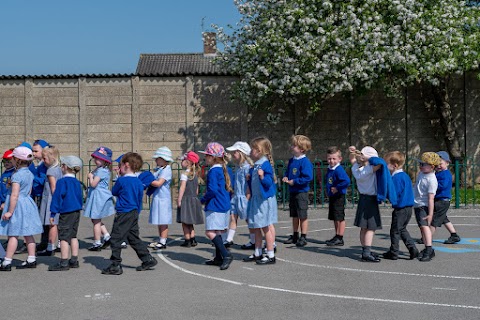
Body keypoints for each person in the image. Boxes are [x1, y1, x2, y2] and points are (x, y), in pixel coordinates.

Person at [101, 152, 157, 275]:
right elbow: (139, 198)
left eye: (120, 165)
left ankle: (115, 264)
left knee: (115, 239)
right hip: (133, 212)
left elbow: (114, 192)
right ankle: (147, 258)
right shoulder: (138, 182)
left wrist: (118, 177)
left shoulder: (121, 181)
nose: (118, 167)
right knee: (133, 238)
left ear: (126, 165)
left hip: (123, 212)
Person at [0, 146, 43, 271]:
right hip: (27, 204)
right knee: (28, 233)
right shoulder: (29, 173)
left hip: (17, 205)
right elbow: (28, 191)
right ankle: (31, 258)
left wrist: (9, 211)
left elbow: (14, 195)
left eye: (13, 158)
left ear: (17, 160)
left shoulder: (17, 175)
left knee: (13, 234)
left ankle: (7, 262)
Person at [199, 142, 234, 270]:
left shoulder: (213, 171)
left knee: (210, 232)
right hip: (224, 204)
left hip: (215, 205)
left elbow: (212, 190)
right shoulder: (226, 169)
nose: (205, 158)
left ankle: (226, 255)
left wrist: (202, 200)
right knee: (219, 231)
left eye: (207, 155)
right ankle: (218, 258)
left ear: (213, 157)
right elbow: (231, 188)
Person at [243, 137, 278, 265]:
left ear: (259, 150)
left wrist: (262, 176)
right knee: (256, 226)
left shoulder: (265, 165)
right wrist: (248, 178)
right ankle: (258, 252)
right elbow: (253, 184)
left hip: (263, 201)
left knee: (265, 227)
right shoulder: (256, 165)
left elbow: (269, 183)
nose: (251, 151)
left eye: (253, 148)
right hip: (255, 200)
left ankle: (270, 254)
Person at [48, 156, 84, 271]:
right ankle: (74, 259)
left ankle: (64, 262)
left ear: (65, 167)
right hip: (76, 212)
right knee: (73, 236)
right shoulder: (77, 182)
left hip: (66, 212)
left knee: (63, 237)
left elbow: (57, 198)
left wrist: (53, 213)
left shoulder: (62, 182)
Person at [381, 151, 419, 260]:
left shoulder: (396, 178)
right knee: (402, 229)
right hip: (408, 208)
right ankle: (413, 249)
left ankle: (394, 252)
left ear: (394, 165)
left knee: (395, 231)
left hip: (400, 208)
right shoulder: (405, 176)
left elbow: (394, 194)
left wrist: (386, 196)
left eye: (387, 164)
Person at [349, 146, 383, 262]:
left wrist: (353, 152)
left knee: (364, 227)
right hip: (371, 199)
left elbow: (352, 160)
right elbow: (380, 164)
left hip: (363, 199)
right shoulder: (369, 169)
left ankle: (365, 249)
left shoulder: (356, 169)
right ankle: (366, 252)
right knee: (371, 227)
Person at [282, 135, 313, 247]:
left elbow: (307, 177)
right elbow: (287, 172)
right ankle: (295, 235)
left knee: (302, 215)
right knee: (294, 215)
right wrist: (285, 178)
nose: (292, 147)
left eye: (294, 145)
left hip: (301, 192)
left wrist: (295, 182)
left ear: (301, 149)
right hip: (293, 191)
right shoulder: (291, 161)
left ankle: (303, 236)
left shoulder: (305, 162)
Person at [84, 147, 115, 251]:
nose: (95, 160)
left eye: (98, 158)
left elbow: (93, 184)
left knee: (96, 220)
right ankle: (107, 237)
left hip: (98, 196)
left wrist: (90, 177)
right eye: (95, 158)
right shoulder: (101, 169)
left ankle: (97, 242)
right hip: (98, 196)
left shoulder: (102, 171)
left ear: (104, 160)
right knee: (95, 219)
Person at [225, 142, 253, 247]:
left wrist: (247, 197)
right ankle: (229, 239)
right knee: (233, 216)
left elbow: (249, 185)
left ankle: (254, 241)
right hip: (236, 196)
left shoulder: (247, 168)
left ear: (241, 153)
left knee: (248, 219)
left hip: (244, 197)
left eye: (234, 152)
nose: (232, 154)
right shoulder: (238, 167)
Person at [414, 152, 441, 262]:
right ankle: (426, 248)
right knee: (422, 228)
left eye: (423, 164)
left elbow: (431, 199)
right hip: (417, 204)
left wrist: (430, 214)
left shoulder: (432, 180)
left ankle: (429, 249)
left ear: (432, 167)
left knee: (425, 227)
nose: (420, 166)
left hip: (424, 206)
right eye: (420, 163)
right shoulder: (421, 174)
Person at [37, 146, 63, 256]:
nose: (43, 161)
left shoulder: (51, 171)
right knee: (54, 223)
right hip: (54, 199)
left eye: (45, 158)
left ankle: (50, 247)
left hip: (50, 200)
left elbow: (53, 188)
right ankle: (54, 245)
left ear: (51, 157)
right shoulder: (58, 168)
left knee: (52, 223)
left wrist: (55, 202)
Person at [148, 147, 173, 250]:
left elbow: (159, 183)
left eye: (157, 158)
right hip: (158, 197)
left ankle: (163, 241)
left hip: (163, 198)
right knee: (159, 220)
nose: (156, 160)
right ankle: (160, 239)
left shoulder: (166, 170)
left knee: (163, 220)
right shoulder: (160, 169)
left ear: (163, 159)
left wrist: (147, 180)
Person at [433, 151, 461, 244]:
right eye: (437, 164)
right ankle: (454, 235)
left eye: (441, 164)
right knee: (443, 218)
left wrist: (432, 186)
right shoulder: (437, 173)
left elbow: (443, 185)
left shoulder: (445, 174)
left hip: (442, 200)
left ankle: (426, 237)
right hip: (439, 199)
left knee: (435, 220)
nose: (439, 166)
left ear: (447, 163)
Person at [176, 151, 203, 247]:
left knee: (184, 221)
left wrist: (179, 199)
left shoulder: (185, 174)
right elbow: (196, 190)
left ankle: (187, 240)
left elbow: (182, 187)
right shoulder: (195, 174)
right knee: (190, 221)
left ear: (188, 162)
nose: (181, 162)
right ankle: (193, 239)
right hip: (193, 199)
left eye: (183, 160)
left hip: (186, 200)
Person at [325, 146, 351, 246]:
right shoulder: (330, 169)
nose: (331, 161)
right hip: (332, 196)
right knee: (335, 217)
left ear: (339, 159)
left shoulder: (338, 169)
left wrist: (337, 188)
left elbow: (346, 181)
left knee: (339, 217)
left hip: (338, 196)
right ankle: (337, 235)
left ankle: (340, 237)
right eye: (329, 158)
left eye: (334, 158)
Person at [29, 139, 50, 254]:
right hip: (39, 194)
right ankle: (44, 242)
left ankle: (45, 243)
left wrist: (31, 176)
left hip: (43, 195)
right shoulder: (40, 164)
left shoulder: (45, 165)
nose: (33, 153)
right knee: (43, 220)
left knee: (46, 221)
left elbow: (43, 181)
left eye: (36, 151)